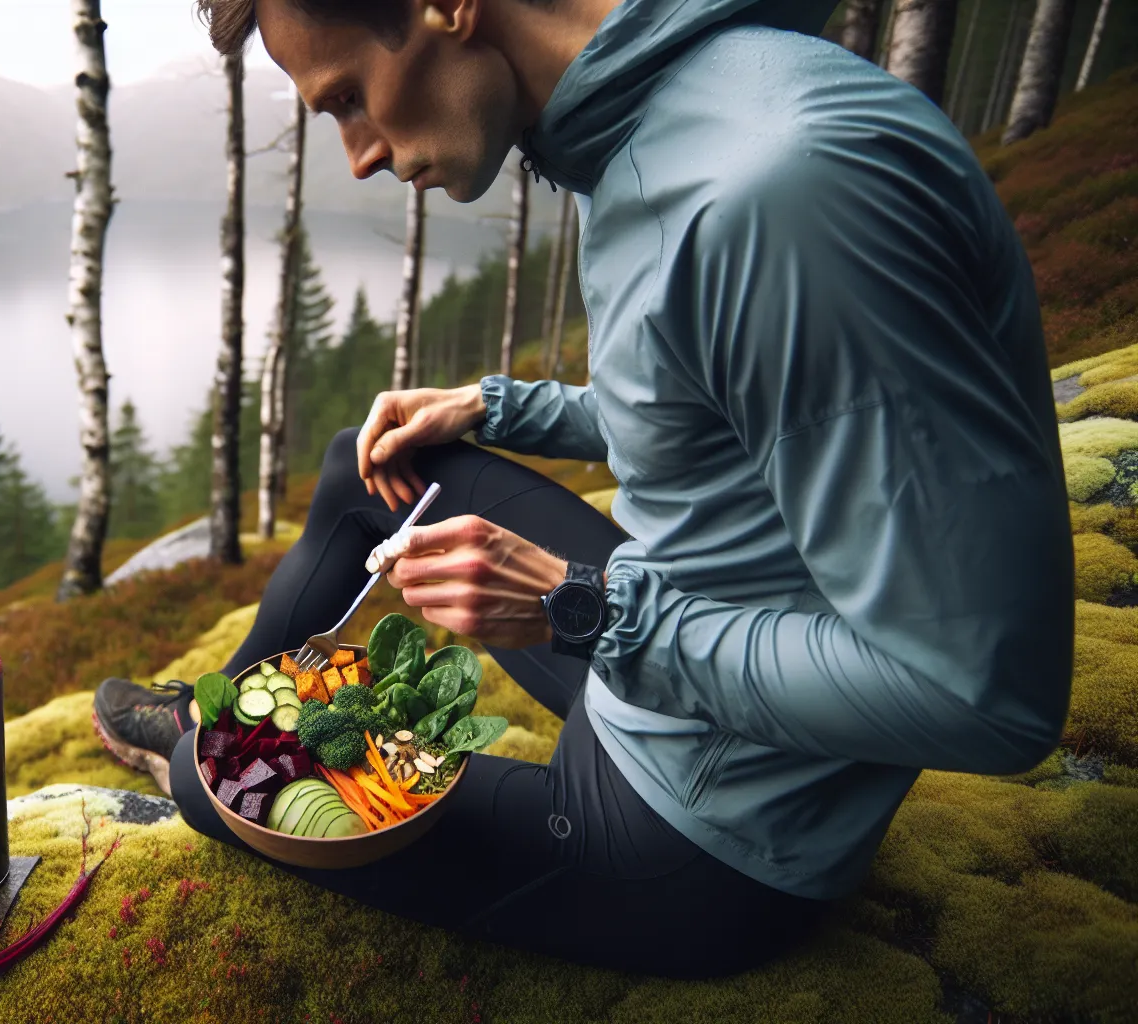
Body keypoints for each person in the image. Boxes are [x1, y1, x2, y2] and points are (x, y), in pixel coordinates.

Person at [93, 0, 1073, 979]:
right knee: (372, 464)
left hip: (705, 831)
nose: (358, 155)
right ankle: (215, 714)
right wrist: (495, 407)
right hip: (674, 646)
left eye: (349, 98)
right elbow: (725, 410)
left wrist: (584, 610)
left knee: (201, 787)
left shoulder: (785, 192)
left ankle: (195, 749)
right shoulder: (669, 117)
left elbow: (984, 696)